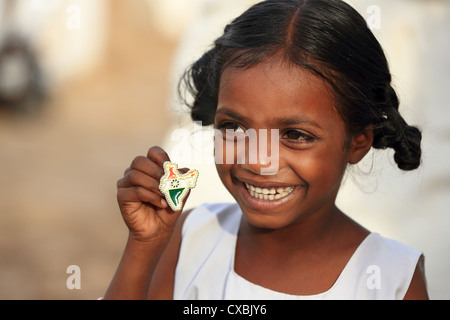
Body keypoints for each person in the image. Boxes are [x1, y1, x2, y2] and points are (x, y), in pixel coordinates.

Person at [104, 0, 428, 299]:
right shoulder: (188, 240)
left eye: (295, 135)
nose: (258, 160)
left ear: (358, 141)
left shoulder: (391, 280)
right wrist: (144, 246)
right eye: (233, 128)